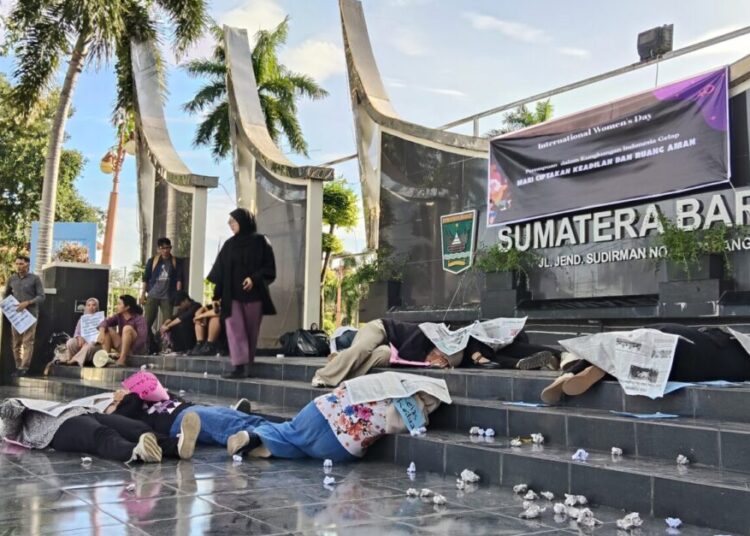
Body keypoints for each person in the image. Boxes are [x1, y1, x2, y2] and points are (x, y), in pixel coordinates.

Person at [224, 372, 451, 462]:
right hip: (341, 444)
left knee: (291, 431)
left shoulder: (386, 379)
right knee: (301, 447)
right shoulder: (413, 407)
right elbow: (394, 424)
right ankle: (258, 442)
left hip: (322, 409)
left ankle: (256, 437)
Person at [540, 323, 750, 404]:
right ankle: (602, 370)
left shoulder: (734, 342)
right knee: (645, 363)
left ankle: (570, 373)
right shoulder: (740, 360)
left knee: (629, 341)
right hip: (694, 358)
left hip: (679, 335)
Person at [0, 392, 199, 463]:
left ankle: (178, 446)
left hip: (82, 411)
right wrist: (9, 410)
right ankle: (136, 452)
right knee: (102, 435)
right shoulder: (12, 412)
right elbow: (10, 432)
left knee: (135, 427)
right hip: (56, 429)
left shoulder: (31, 401)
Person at [207, 208, 276, 379]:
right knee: (235, 329)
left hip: (255, 295)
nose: (230, 225)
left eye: (233, 221)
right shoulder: (229, 245)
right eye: (229, 222)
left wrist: (254, 278)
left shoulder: (261, 241)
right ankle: (238, 366)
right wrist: (216, 296)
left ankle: (247, 366)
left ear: (244, 221)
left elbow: (269, 267)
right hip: (232, 296)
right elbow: (220, 273)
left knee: (251, 332)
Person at [310, 318, 462, 388]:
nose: (439, 360)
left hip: (388, 348)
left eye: (444, 361)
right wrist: (428, 359)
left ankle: (343, 371)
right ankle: (324, 375)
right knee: (363, 348)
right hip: (380, 329)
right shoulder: (424, 335)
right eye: (442, 356)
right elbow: (405, 352)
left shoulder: (429, 359)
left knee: (384, 354)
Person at [3, 255, 45, 376]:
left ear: (27, 264)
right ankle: (18, 367)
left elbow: (42, 296)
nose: (18, 266)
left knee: (28, 342)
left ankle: (24, 368)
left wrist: (28, 303)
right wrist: (8, 305)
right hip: (16, 316)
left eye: (21, 264)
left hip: (30, 315)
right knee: (16, 343)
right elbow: (5, 295)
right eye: (17, 263)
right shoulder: (11, 279)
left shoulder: (35, 279)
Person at [142, 237, 185, 338]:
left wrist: (178, 296)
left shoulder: (175, 261)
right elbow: (145, 278)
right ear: (159, 249)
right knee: (147, 322)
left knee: (168, 323)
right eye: (163, 248)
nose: (166, 250)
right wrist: (143, 293)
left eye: (168, 248)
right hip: (153, 294)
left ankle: (165, 344)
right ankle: (149, 342)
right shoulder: (153, 261)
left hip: (167, 296)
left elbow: (179, 279)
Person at [464, 331, 560, 370]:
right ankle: (524, 363)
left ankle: (561, 356)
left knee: (512, 349)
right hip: (489, 354)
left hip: (497, 343)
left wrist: (476, 355)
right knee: (495, 357)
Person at [98, 295, 148, 366]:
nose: (116, 306)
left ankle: (122, 359)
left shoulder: (140, 319)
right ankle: (106, 359)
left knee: (127, 328)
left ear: (127, 307)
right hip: (124, 348)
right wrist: (101, 333)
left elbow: (142, 339)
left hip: (135, 351)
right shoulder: (118, 316)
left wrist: (130, 351)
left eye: (119, 304)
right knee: (107, 329)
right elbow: (104, 322)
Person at [63, 297, 100, 366]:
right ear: (86, 307)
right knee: (70, 342)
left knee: (89, 346)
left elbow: (100, 336)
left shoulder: (101, 319)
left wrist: (89, 341)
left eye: (94, 305)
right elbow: (76, 333)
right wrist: (79, 337)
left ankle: (74, 360)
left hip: (94, 344)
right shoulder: (82, 319)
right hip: (82, 343)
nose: (91, 307)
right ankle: (75, 358)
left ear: (97, 307)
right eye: (88, 305)